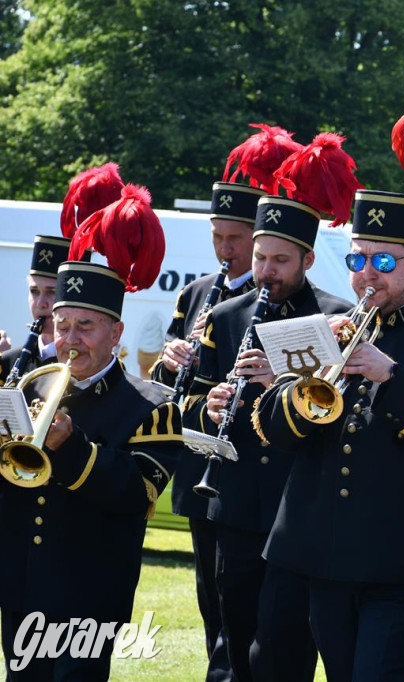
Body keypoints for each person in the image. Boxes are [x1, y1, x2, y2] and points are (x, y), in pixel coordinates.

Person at [251, 188, 404, 681]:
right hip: (323, 552)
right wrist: (306, 381)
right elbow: (276, 431)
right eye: (357, 258)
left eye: (384, 260)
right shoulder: (326, 330)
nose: (367, 273)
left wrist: (394, 377)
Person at [0, 204, 183, 679]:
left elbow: (138, 492)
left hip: (90, 593)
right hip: (21, 581)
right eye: (63, 327)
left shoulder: (152, 405)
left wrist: (72, 446)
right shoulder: (26, 389)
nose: (70, 340)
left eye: (86, 326)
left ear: (116, 332)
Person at [187, 194, 350, 682]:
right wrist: (209, 403)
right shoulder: (224, 317)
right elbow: (188, 408)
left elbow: (338, 413)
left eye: (281, 261)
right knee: (234, 637)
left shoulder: (336, 318)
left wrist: (281, 378)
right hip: (234, 505)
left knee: (286, 646)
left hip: (298, 506)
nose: (266, 272)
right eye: (261, 258)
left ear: (308, 260)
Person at [150, 180, 262, 682]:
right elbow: (166, 385)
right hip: (199, 458)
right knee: (208, 586)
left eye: (236, 239)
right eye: (218, 237)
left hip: (248, 463)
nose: (225, 250)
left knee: (243, 590)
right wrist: (170, 361)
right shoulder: (197, 294)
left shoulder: (270, 297)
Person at [0, 236, 76, 383]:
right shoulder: (8, 361)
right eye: (34, 291)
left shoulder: (87, 365)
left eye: (52, 292)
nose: (40, 303)